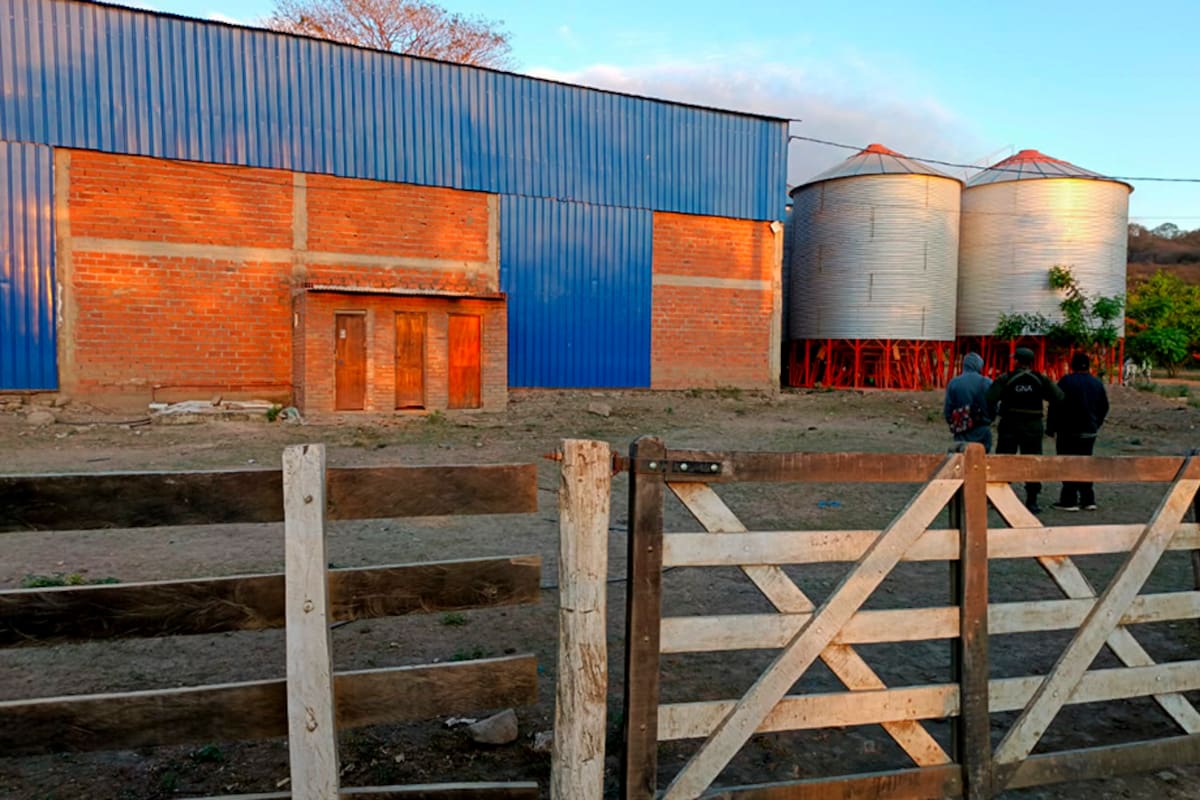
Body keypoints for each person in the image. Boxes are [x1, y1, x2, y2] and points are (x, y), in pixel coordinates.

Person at [986, 347, 1064, 513]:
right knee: (1032, 462)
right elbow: (1058, 396)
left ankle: (1001, 497)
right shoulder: (1040, 379)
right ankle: (1032, 500)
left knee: (1004, 460)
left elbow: (990, 398)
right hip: (1033, 425)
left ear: (1017, 361)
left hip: (1010, 425)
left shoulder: (1006, 378)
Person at [1047, 352, 1110, 511]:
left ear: (1072, 364)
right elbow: (1104, 406)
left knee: (1068, 462)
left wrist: (1051, 428)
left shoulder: (1066, 382)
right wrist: (1096, 424)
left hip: (1068, 430)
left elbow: (1055, 405)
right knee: (1085, 462)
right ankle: (1088, 499)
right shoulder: (1097, 383)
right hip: (1089, 430)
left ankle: (1069, 500)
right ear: (1088, 365)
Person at [944, 352, 994, 452]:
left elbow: (947, 410)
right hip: (982, 429)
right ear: (979, 365)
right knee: (981, 461)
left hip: (961, 430)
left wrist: (955, 422)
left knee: (960, 461)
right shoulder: (987, 382)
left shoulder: (953, 383)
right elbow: (993, 407)